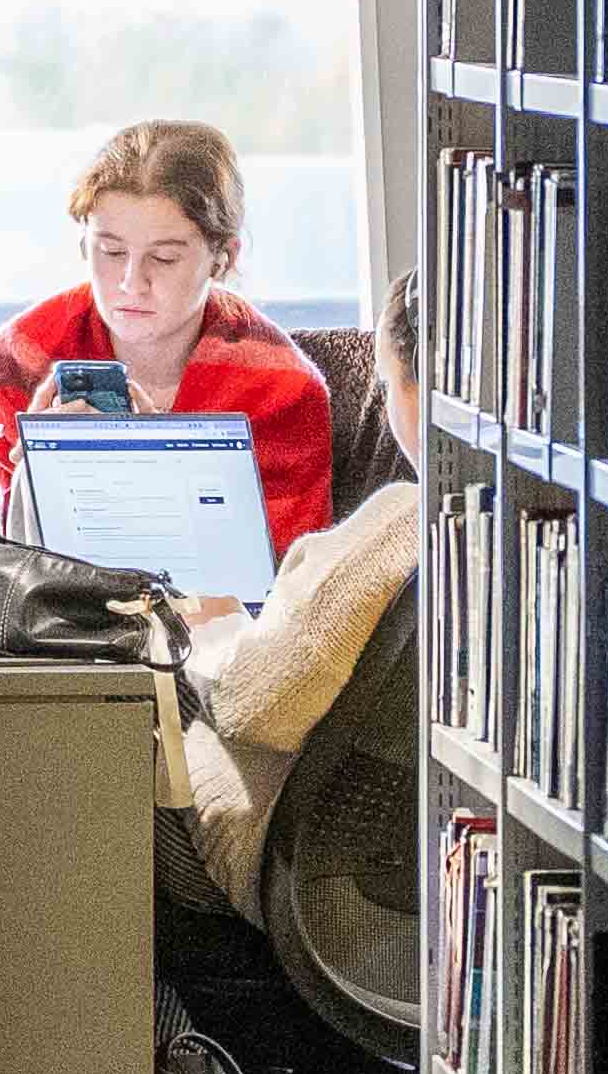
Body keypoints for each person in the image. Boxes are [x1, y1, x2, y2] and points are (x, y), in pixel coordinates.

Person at [0, 116, 340, 561]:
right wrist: (43, 479)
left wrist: (154, 470)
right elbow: (10, 569)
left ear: (222, 258)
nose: (132, 282)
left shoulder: (282, 392)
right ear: (84, 244)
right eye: (111, 251)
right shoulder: (18, 363)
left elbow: (285, 587)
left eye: (165, 257)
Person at [161, 272, 419, 923]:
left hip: (304, 870)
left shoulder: (399, 526)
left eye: (385, 385)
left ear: (417, 386)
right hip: (412, 872)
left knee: (110, 739)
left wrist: (211, 621)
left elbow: (254, 708)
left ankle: (160, 1016)